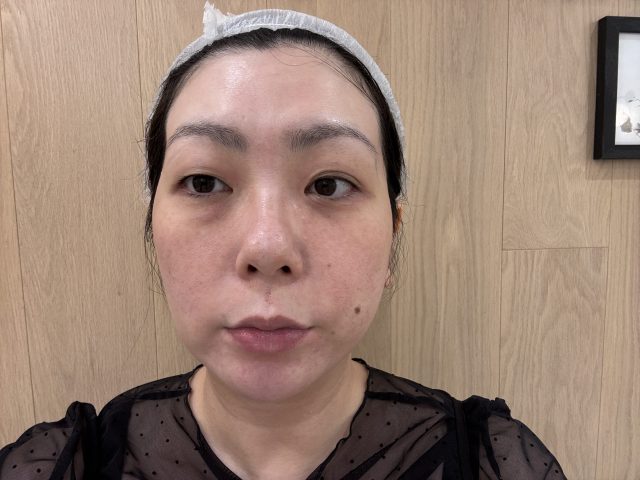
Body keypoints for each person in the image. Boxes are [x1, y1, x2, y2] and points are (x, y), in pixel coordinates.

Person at [0, 4, 566, 480]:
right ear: (153, 227)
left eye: (329, 184)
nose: (267, 248)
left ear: (393, 232)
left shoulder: (496, 463)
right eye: (204, 182)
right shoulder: (62, 465)